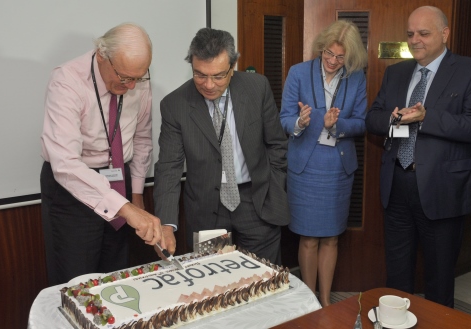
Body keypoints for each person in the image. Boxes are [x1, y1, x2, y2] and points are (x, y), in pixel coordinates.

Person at [365, 6, 471, 307]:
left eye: (424, 33)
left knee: (438, 277)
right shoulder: (396, 72)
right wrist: (393, 119)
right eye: (410, 34)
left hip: (442, 190)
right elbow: (372, 118)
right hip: (397, 186)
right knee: (397, 274)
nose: (415, 40)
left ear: (444, 34)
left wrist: (426, 117)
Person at [40, 23, 165, 286]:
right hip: (73, 188)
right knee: (78, 283)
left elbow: (142, 138)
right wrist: (126, 208)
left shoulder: (139, 77)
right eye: (124, 78)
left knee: (117, 279)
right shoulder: (67, 80)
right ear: (101, 55)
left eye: (138, 78)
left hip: (121, 180)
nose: (132, 86)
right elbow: (65, 164)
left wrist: (137, 197)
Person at [153, 28, 289, 265]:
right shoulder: (175, 105)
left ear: (232, 67)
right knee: (214, 286)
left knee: (265, 280)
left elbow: (276, 144)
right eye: (200, 75)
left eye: (218, 76)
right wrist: (166, 224)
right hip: (206, 208)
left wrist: (272, 188)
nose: (208, 85)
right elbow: (169, 167)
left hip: (256, 202)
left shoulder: (257, 88)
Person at [279, 20, 367, 307]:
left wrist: (336, 124)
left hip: (337, 168)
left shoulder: (356, 77)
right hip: (306, 166)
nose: (332, 61)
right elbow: (285, 119)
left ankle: (326, 301)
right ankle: (309, 302)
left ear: (350, 57)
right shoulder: (298, 73)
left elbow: (361, 123)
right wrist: (304, 121)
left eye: (340, 57)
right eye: (328, 53)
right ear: (321, 48)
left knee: (331, 237)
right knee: (308, 238)